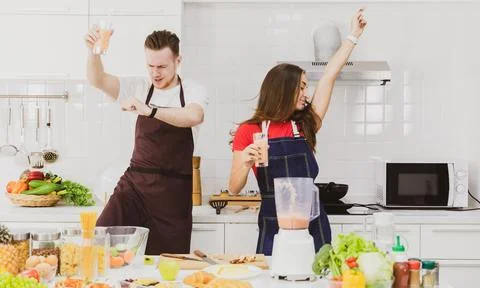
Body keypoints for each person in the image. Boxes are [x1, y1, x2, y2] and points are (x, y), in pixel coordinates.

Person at [229, 8, 367, 255]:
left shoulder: (304, 124)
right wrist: (245, 161)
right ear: (283, 90)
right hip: (274, 226)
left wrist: (353, 36)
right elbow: (234, 188)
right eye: (302, 87)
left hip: (313, 224)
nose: (306, 93)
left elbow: (329, 76)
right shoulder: (249, 131)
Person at [84, 28, 208, 254]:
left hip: (172, 195)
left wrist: (148, 110)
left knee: (167, 264)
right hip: (135, 187)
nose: (155, 73)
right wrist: (95, 53)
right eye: (150, 66)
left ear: (178, 61)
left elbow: (194, 116)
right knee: (98, 241)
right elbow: (98, 79)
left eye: (162, 66)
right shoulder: (140, 87)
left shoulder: (192, 90)